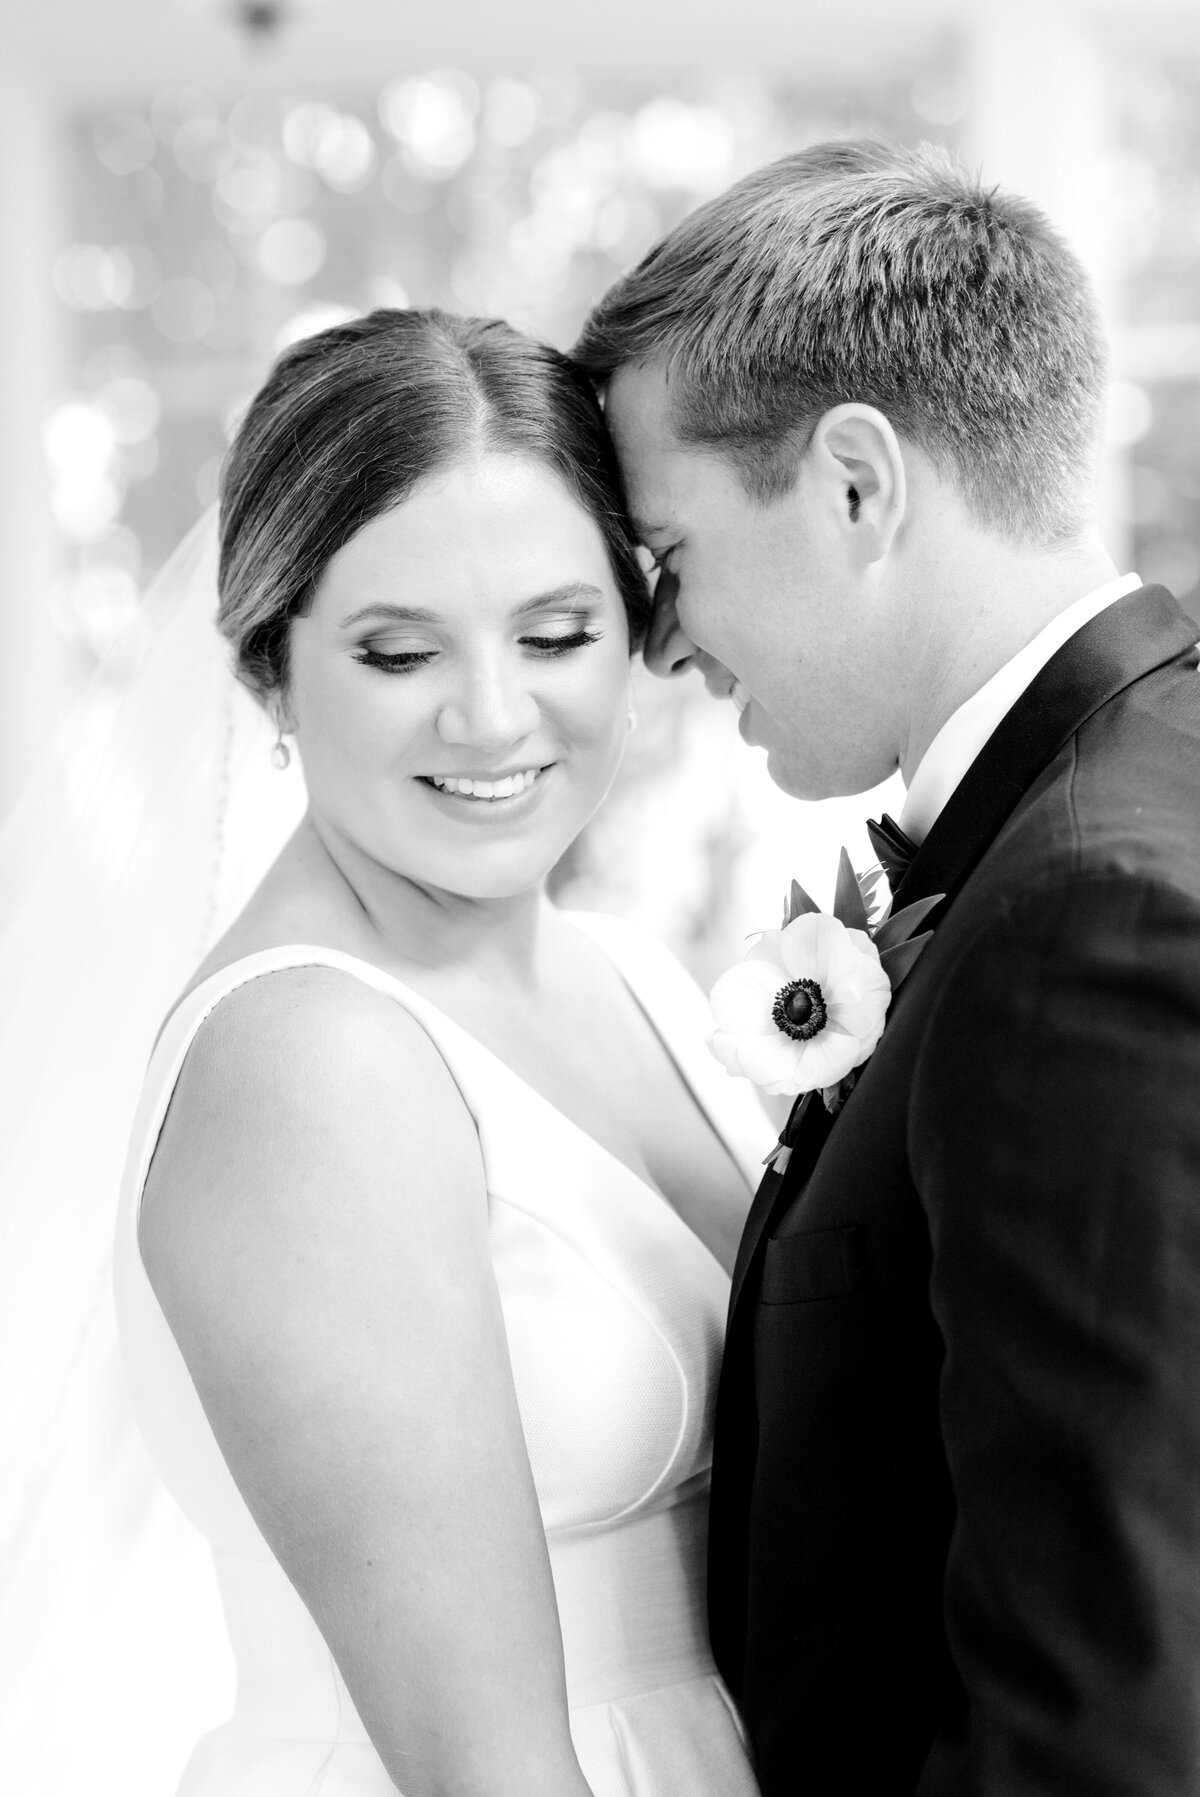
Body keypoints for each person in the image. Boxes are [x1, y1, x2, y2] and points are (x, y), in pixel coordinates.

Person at [576, 139, 1200, 1795]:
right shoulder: (1118, 804)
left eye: (669, 555)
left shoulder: (1088, 914)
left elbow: (1104, 1719)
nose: (662, 643)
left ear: (856, 483)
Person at [112, 309, 769, 1797]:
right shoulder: (310, 1063)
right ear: (270, 673)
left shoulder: (632, 977)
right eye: (400, 651)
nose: (491, 716)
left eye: (555, 635)